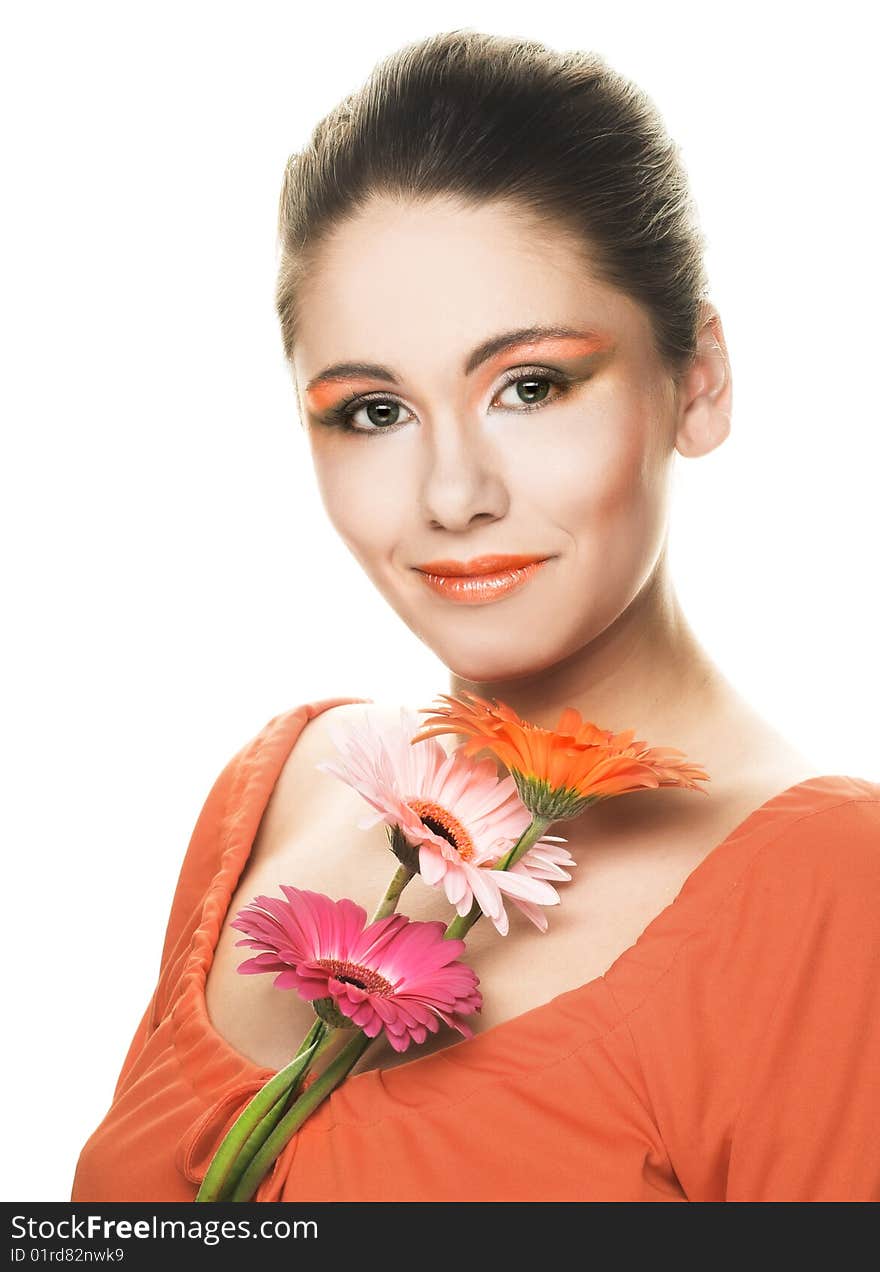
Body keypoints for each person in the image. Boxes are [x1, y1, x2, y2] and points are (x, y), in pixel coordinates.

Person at [71, 28, 880, 1203]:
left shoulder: (832, 893)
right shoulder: (283, 789)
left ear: (696, 381)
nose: (454, 495)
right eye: (373, 411)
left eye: (531, 387)